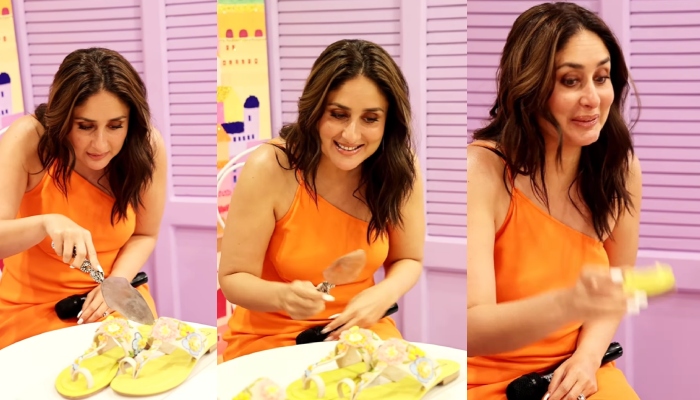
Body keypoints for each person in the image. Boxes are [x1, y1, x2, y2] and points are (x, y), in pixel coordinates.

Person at [467, 3, 642, 400]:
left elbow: (617, 285)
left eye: (601, 77)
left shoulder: (621, 169)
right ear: (529, 87)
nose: (593, 98)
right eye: (570, 81)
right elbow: (472, 329)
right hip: (486, 381)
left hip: (577, 369)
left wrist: (587, 359)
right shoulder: (481, 172)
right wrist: (570, 303)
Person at [218, 39, 425, 361]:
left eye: (370, 119)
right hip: (273, 336)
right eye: (338, 115)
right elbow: (233, 278)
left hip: (360, 332)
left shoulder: (400, 168)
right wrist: (282, 296)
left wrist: (383, 293)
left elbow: (408, 259)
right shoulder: (271, 166)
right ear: (315, 111)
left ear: (388, 122)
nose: (351, 135)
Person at [0, 48, 167, 350]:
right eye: (85, 126)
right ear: (63, 119)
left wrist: (116, 285)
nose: (100, 144)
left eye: (115, 126)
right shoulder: (29, 139)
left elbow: (145, 234)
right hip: (30, 311)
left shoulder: (147, 147)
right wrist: (46, 223)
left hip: (113, 297)